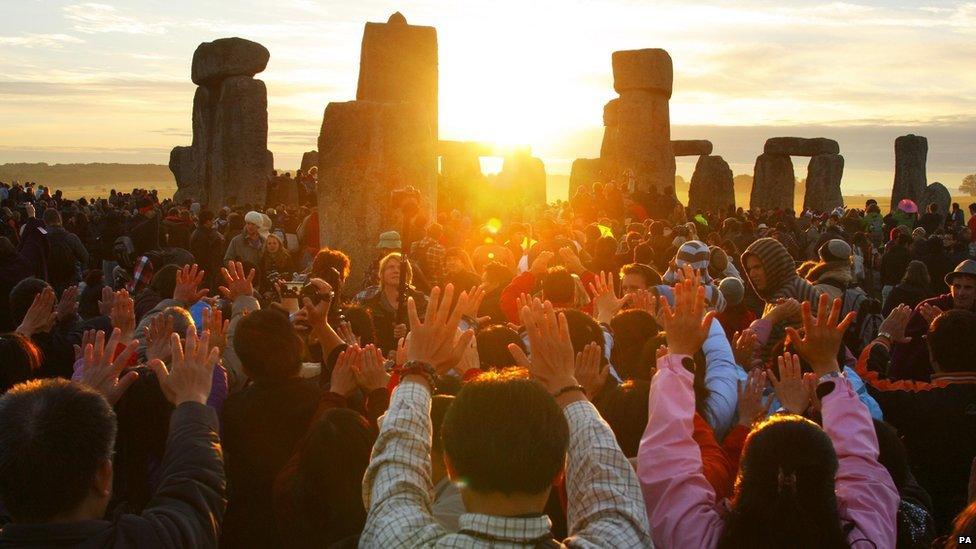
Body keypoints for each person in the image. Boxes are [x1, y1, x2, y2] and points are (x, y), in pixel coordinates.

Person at [359, 285, 651, 546]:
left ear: (450, 468)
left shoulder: (398, 539)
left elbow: (396, 464)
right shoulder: (619, 540)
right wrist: (567, 386)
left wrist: (417, 370)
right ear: (560, 471)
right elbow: (610, 483)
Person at [639, 284, 898, 548]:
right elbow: (862, 467)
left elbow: (667, 456)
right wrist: (828, 366)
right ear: (830, 475)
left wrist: (679, 353)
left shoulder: (697, 539)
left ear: (745, 474)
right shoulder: (867, 539)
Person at [0, 327, 224, 547]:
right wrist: (192, 399)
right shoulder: (155, 540)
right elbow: (193, 486)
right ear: (103, 476)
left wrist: (82, 404)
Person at [856, 304, 976, 532]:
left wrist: (884, 338)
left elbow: (867, 381)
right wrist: (959, 334)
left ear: (931, 353)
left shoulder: (920, 400)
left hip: (930, 517)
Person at [890, 259, 976, 381]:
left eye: (968, 288)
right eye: (957, 286)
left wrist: (943, 327)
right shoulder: (928, 307)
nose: (961, 293)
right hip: (925, 382)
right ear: (950, 288)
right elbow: (907, 347)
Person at [43, 208, 89, 293]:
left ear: (45, 221)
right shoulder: (70, 237)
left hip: (49, 280)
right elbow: (85, 257)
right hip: (71, 280)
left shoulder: (41, 237)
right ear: (59, 220)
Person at [189, 210, 224, 291]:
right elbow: (203, 256)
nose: (213, 222)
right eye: (212, 220)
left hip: (203, 269)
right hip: (204, 270)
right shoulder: (202, 235)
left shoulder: (199, 233)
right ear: (207, 221)